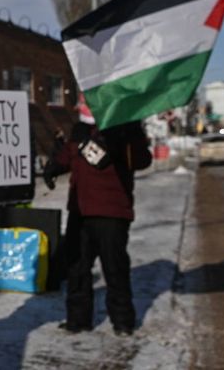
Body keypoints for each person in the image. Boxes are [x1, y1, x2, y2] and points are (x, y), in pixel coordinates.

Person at [43, 95, 151, 337]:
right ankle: (77, 320)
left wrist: (126, 136)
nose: (85, 103)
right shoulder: (80, 128)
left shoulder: (125, 125)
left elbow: (142, 160)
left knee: (114, 268)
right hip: (79, 210)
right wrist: (54, 166)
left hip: (112, 211)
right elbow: (70, 156)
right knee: (77, 269)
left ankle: (123, 321)